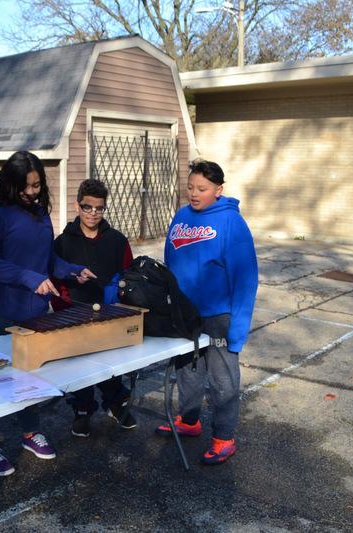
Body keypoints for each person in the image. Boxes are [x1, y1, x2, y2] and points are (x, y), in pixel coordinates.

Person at [0, 150, 95, 476]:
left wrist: (72, 270)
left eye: (37, 185)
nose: (31, 192)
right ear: (9, 184)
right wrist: (30, 278)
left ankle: (29, 432)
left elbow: (47, 259)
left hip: (33, 311)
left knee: (30, 375)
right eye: (25, 186)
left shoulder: (40, 214)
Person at [156, 159, 258, 465]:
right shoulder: (181, 215)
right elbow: (170, 259)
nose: (194, 193)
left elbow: (245, 278)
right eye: (190, 187)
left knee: (222, 379)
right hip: (186, 313)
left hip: (219, 316)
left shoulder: (231, 223)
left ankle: (224, 437)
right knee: (187, 371)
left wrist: (238, 328)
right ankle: (189, 421)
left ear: (218, 189)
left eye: (202, 189)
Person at [51, 178, 136, 438]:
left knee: (110, 364)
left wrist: (121, 304)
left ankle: (115, 403)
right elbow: (55, 279)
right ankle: (82, 410)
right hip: (73, 313)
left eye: (99, 208)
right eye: (87, 207)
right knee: (79, 366)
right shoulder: (62, 242)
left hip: (109, 314)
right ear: (77, 206)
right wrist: (64, 309)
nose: (93, 213)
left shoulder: (117, 240)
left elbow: (128, 275)